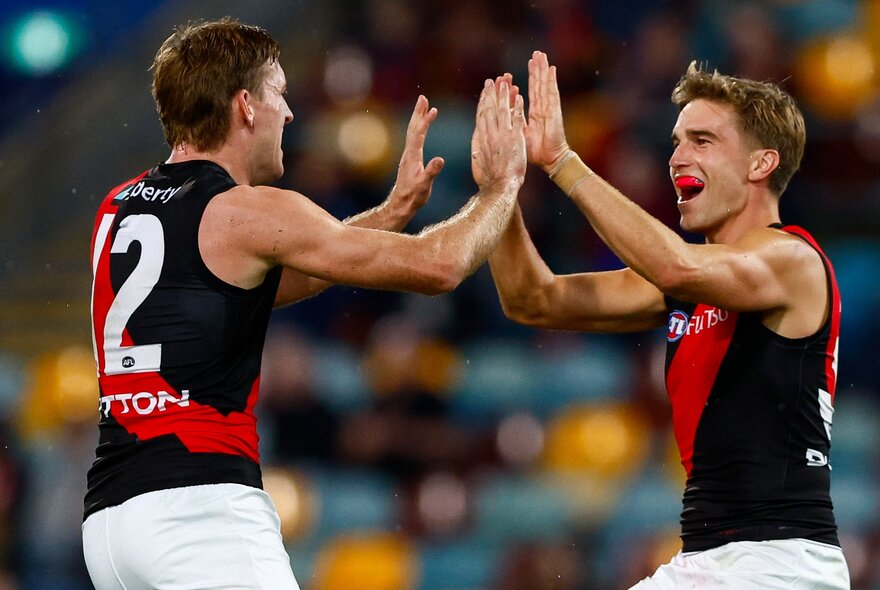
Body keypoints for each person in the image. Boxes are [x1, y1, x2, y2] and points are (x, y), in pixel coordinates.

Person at [83, 18, 526, 590]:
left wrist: (387, 216)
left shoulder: (116, 208)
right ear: (245, 105)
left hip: (112, 524)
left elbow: (257, 286)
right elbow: (439, 266)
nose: (289, 114)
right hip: (200, 511)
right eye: (280, 94)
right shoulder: (250, 210)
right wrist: (503, 185)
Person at [488, 52, 849, 589]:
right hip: (710, 561)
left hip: (779, 563)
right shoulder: (692, 283)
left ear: (761, 164)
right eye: (677, 142)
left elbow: (673, 264)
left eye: (702, 141)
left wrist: (563, 160)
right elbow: (533, 300)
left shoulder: (792, 260)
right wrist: (500, 190)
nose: (678, 157)